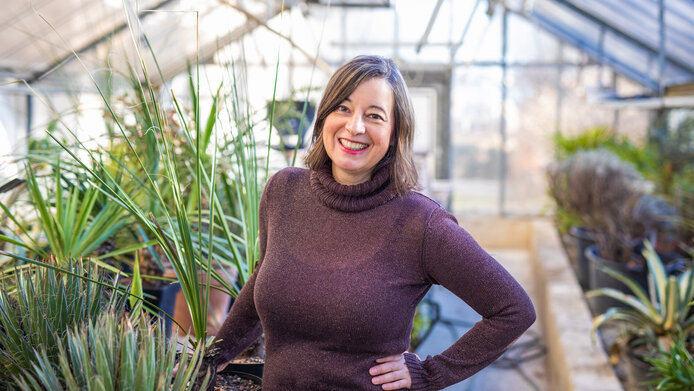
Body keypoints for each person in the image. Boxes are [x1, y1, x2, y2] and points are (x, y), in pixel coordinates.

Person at [200, 55, 536, 390]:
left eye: (374, 115)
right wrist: (213, 357)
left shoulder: (421, 223)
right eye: (343, 108)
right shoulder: (284, 191)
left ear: (395, 132)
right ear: (323, 117)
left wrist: (431, 372)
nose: (355, 126)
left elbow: (512, 309)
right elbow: (263, 276)